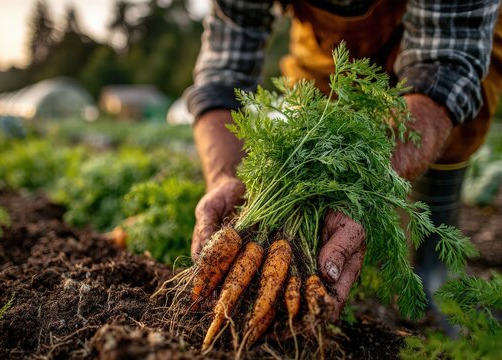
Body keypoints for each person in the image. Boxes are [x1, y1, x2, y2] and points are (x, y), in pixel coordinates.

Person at [184, 0, 502, 326]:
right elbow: (222, 74)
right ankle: (310, 282)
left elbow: (445, 68)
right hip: (329, 52)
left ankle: (434, 272)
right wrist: (225, 176)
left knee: (460, 125)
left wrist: (363, 187)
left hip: (447, 38)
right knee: (314, 123)